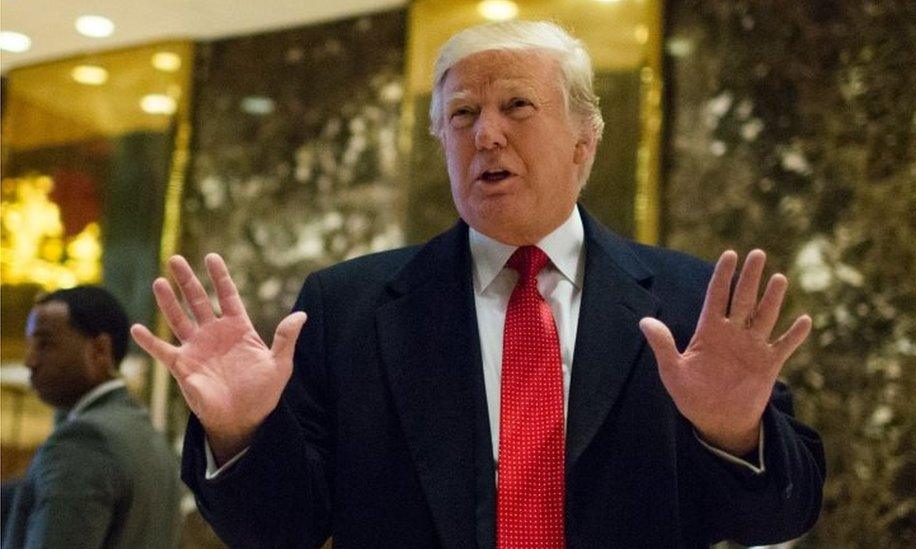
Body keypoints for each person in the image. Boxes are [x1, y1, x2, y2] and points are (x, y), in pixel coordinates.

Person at [132, 21, 825, 548]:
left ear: (585, 140)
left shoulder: (689, 301)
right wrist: (241, 431)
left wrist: (735, 434)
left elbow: (780, 514)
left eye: (517, 106)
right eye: (462, 115)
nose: (486, 134)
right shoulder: (347, 308)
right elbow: (282, 529)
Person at [4, 286, 182, 549]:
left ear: (99, 350)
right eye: (31, 345)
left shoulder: (83, 440)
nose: (30, 361)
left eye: (45, 344)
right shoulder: (145, 433)